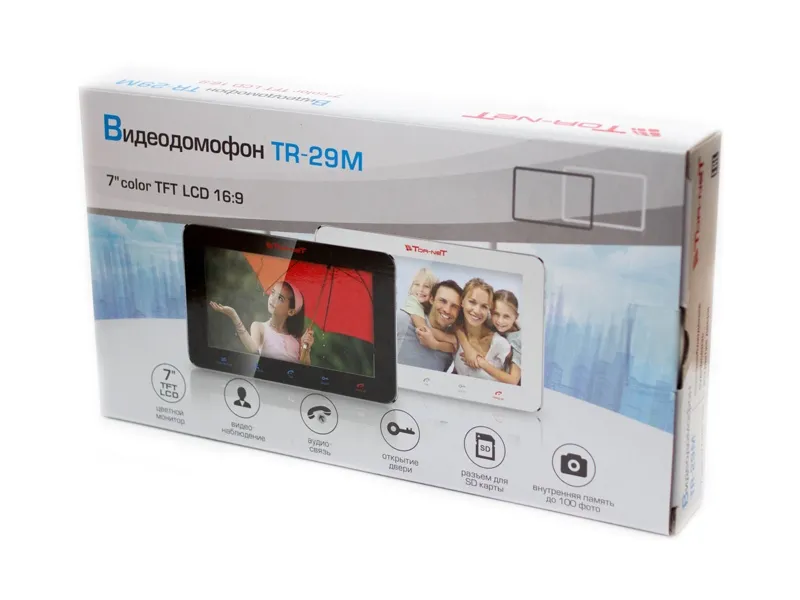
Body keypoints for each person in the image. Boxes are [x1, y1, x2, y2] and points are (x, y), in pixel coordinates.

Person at [210, 280, 315, 364]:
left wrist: (305, 347)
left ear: (291, 311)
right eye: (273, 293)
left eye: (280, 298)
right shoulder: (259, 327)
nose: (272, 299)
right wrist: (234, 315)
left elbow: (303, 370)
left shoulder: (298, 340)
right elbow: (253, 348)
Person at [396, 280, 463, 371]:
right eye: (443, 301)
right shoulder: (403, 320)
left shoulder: (451, 349)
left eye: (454, 306)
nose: (447, 310)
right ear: (431, 299)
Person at [453, 278, 512, 382]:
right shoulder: (454, 334)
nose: (477, 311)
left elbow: (513, 382)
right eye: (472, 302)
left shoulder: (500, 343)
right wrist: (466, 345)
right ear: (462, 301)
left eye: (484, 306)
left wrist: (480, 361)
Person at [402, 268, 457, 353]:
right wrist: (449, 338)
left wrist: (438, 344)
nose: (420, 289)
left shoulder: (432, 307)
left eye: (426, 286)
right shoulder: (413, 301)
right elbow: (423, 328)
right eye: (416, 284)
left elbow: (452, 348)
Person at [478, 290, 522, 385]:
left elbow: (513, 380)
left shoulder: (518, 339)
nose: (500, 321)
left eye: (506, 316)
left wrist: (483, 364)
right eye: (496, 314)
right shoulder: (489, 323)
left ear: (516, 317)